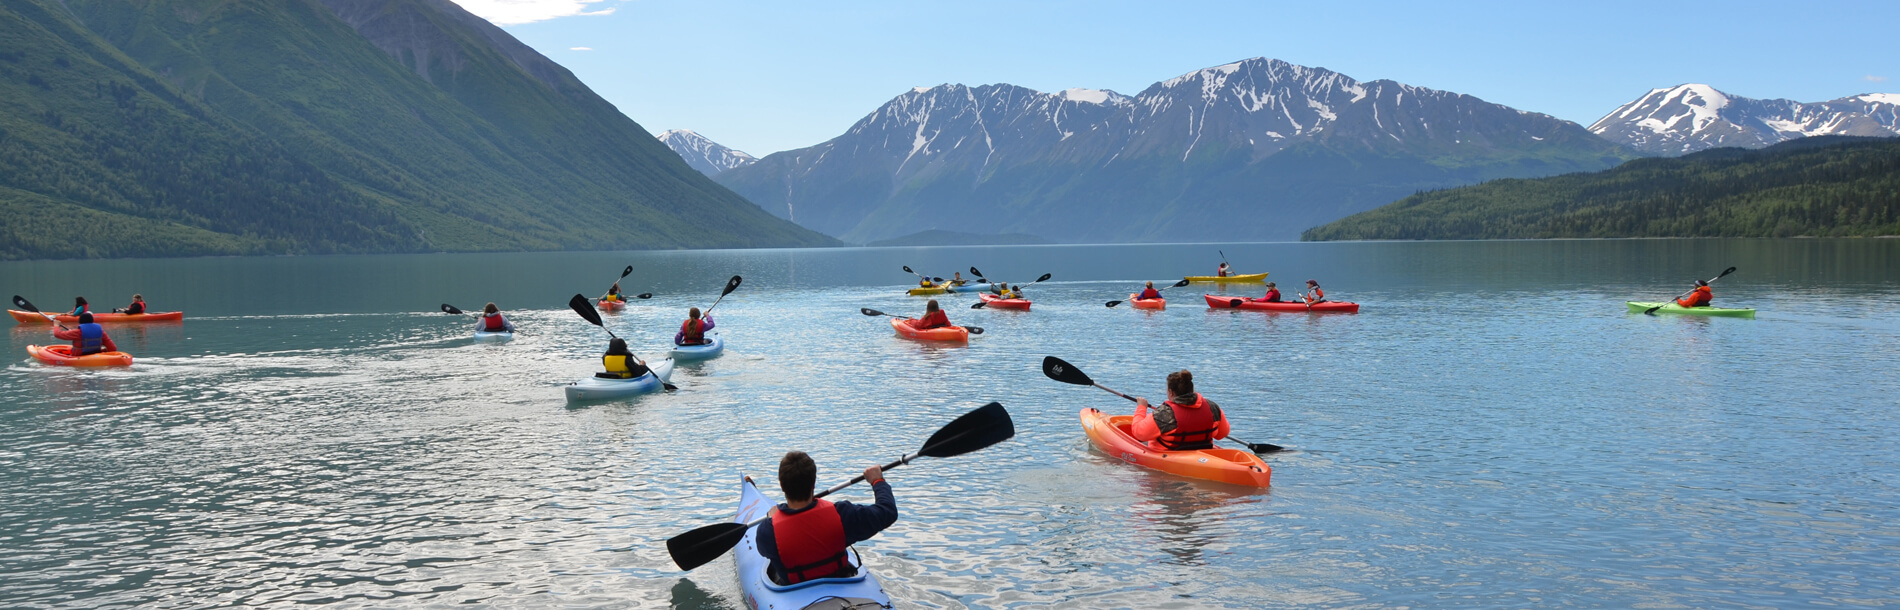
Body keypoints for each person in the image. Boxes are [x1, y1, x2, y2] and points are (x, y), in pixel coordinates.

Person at [755, 451, 897, 586]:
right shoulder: (842, 514)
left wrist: (772, 519)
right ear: (814, 484)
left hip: (794, 589)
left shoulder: (768, 531)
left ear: (782, 485)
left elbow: (765, 551)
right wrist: (878, 481)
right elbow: (888, 511)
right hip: (840, 583)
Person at [1131, 370, 1230, 451]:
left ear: (1171, 392)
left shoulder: (1164, 413)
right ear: (1191, 389)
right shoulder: (1212, 407)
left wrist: (1141, 407)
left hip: (1171, 456)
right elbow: (1222, 434)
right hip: (1202, 454)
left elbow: (1139, 434)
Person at [52, 313, 117, 356]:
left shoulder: (77, 332)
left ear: (80, 322)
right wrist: (104, 351)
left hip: (80, 356)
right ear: (92, 321)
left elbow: (57, 334)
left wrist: (56, 325)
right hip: (96, 355)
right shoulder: (101, 332)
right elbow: (113, 348)